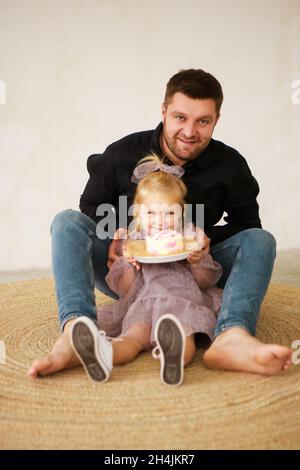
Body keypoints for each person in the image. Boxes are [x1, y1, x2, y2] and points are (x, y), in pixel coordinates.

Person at [28, 68, 293, 380]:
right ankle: (75, 331)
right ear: (164, 111)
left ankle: (232, 335)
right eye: (180, 117)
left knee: (261, 240)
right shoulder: (123, 153)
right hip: (129, 270)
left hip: (191, 274)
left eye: (203, 121)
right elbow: (88, 206)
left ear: (216, 121)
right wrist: (120, 236)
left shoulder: (231, 166)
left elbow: (246, 226)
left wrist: (204, 240)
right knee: (66, 221)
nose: (190, 131)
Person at [70, 154, 223, 385]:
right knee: (132, 337)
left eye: (169, 213)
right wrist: (129, 263)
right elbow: (124, 288)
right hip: (143, 300)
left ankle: (174, 358)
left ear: (181, 211)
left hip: (182, 298)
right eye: (151, 213)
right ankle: (105, 353)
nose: (160, 221)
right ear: (138, 213)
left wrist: (197, 259)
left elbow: (205, 281)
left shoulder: (189, 236)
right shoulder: (134, 241)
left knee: (183, 333)